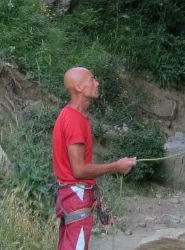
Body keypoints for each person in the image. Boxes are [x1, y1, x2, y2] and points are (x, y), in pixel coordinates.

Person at [52, 66, 137, 250]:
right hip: (76, 197)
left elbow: (80, 172)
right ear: (79, 87)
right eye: (91, 79)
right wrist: (116, 166)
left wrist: (99, 202)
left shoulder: (75, 117)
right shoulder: (74, 120)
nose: (97, 83)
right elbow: (79, 170)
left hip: (72, 196)